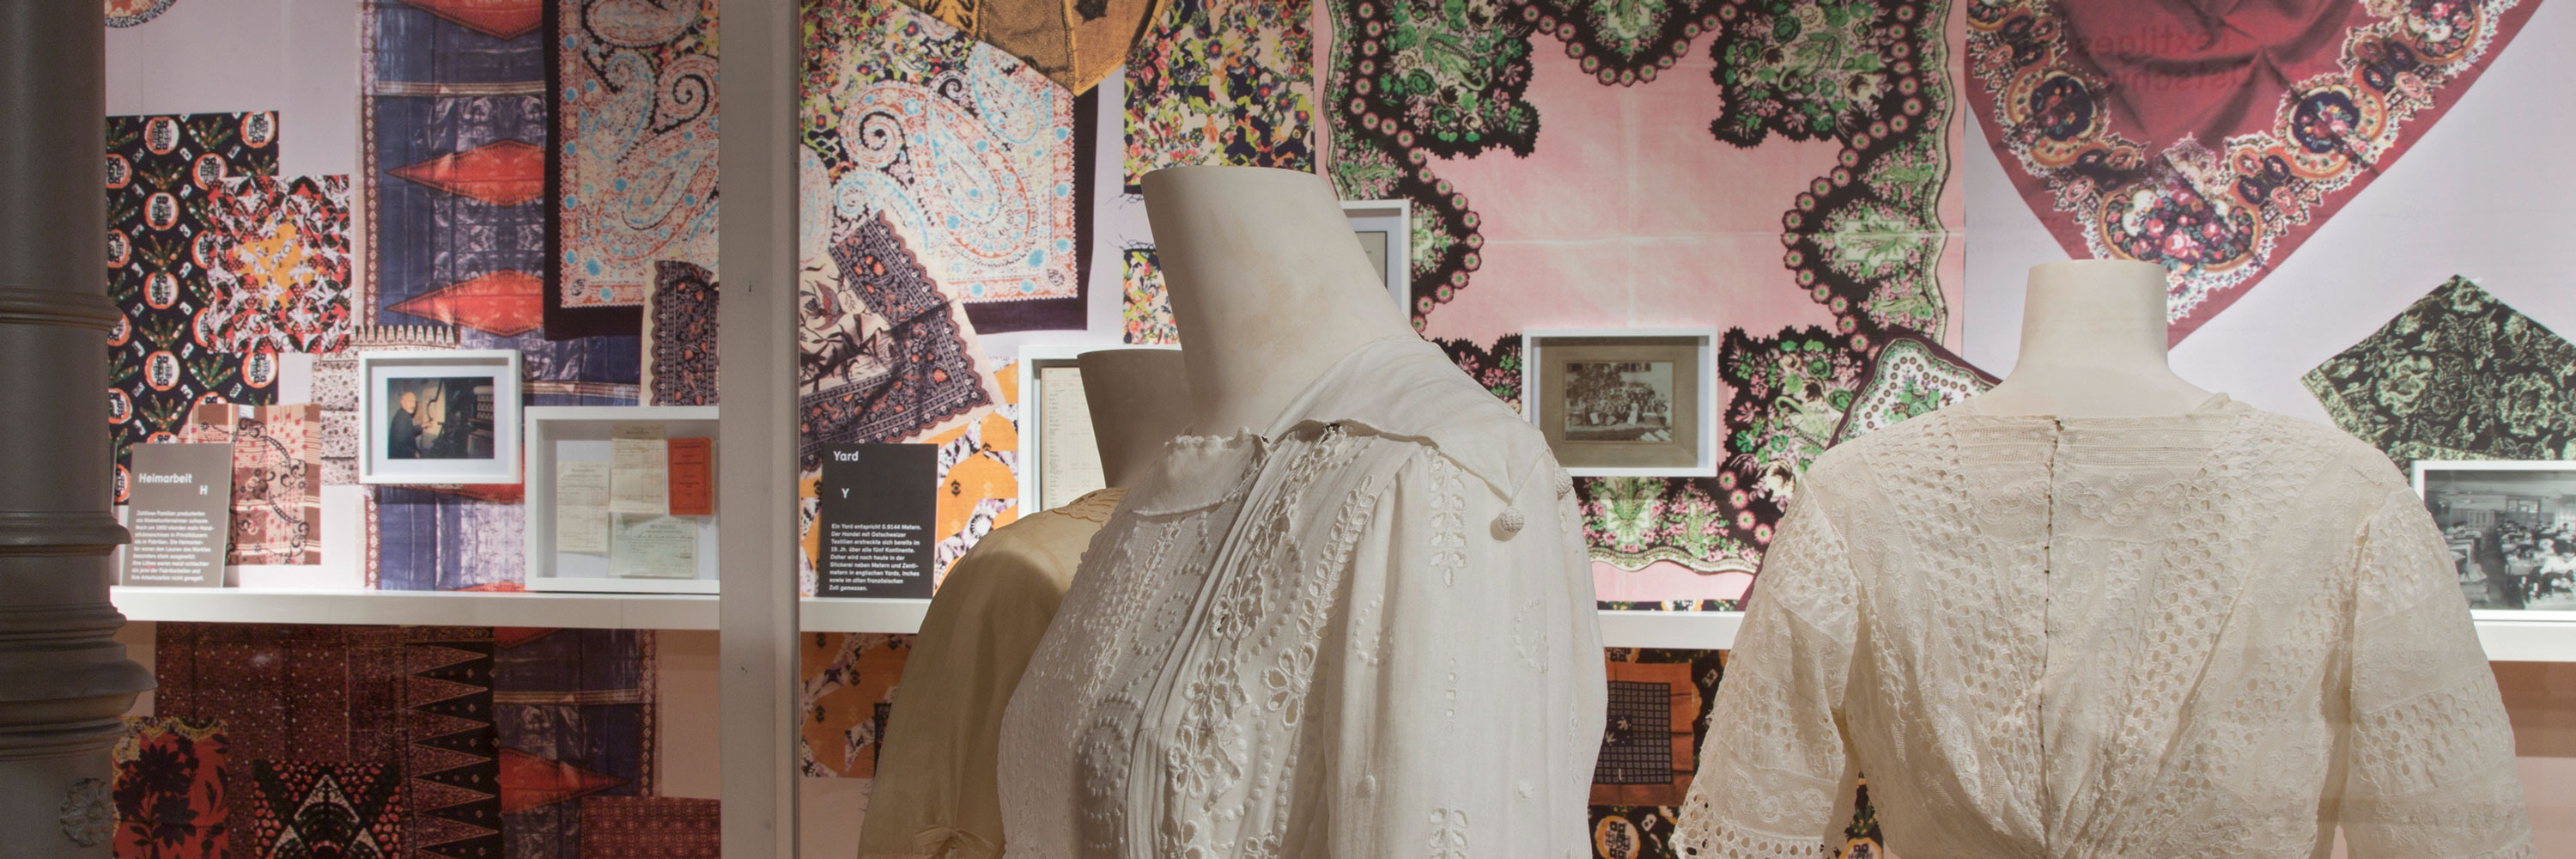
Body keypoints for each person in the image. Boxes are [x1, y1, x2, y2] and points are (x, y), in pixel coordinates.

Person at [386, 386, 422, 459]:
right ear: (402, 402)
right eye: (410, 401)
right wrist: (413, 452)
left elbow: (410, 431)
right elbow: (400, 445)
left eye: (414, 402)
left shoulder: (405, 414)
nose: (413, 405)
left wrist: (422, 426)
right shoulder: (402, 418)